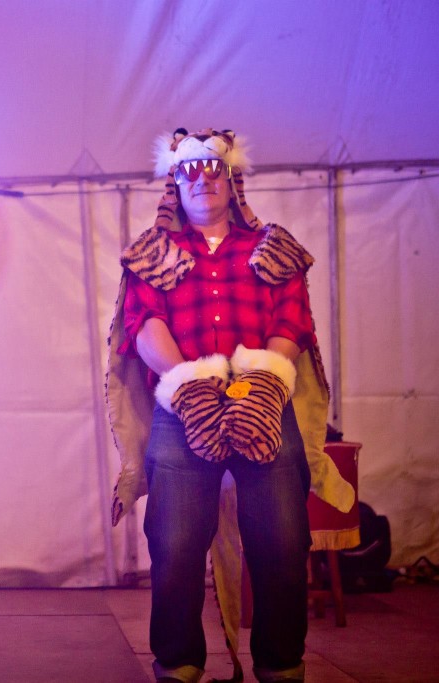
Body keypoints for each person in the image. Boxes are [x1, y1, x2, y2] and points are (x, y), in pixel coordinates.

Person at [105, 128, 353, 683]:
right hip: (182, 407)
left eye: (214, 172)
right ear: (175, 185)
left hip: (263, 400)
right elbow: (143, 325)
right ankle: (179, 661)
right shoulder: (153, 253)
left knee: (283, 540)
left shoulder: (272, 246)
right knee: (173, 542)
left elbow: (295, 321)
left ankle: (281, 662)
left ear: (233, 183)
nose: (203, 183)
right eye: (191, 174)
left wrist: (265, 385)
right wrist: (187, 384)